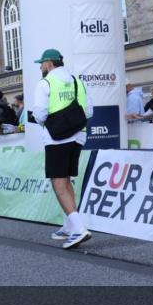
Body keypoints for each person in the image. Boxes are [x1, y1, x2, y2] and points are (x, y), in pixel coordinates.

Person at [30, 48, 94, 249]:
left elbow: (39, 114)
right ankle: (68, 225)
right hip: (79, 135)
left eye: (41, 64)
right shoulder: (77, 81)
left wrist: (48, 122)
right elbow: (89, 111)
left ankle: (79, 228)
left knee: (58, 182)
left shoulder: (45, 83)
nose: (40, 67)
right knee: (66, 179)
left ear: (49, 64)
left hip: (57, 137)